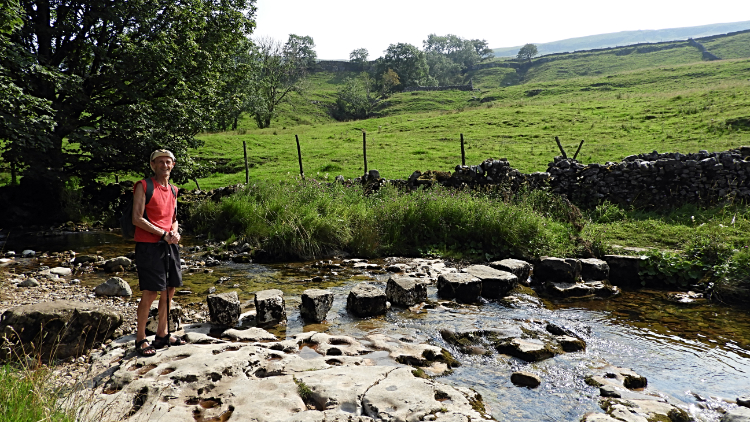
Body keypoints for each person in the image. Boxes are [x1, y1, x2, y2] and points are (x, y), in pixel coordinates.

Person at [133, 149, 185, 356]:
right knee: (151, 292)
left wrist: (174, 233)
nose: (165, 165)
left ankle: (162, 334)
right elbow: (137, 218)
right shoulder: (144, 186)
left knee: (170, 289)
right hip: (149, 245)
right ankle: (140, 339)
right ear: (153, 165)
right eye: (160, 162)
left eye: (168, 162)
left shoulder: (173, 190)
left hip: (169, 244)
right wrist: (163, 234)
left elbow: (174, 218)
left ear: (173, 165)